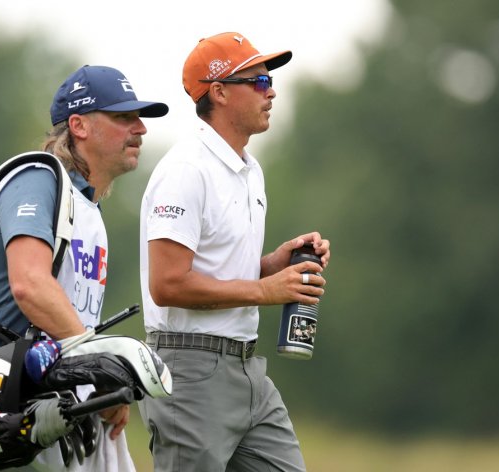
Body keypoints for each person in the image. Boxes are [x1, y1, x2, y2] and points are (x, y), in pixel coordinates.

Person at [0, 65, 168, 471]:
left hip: (41, 400)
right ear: (78, 125)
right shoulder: (37, 179)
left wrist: (96, 386)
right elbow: (30, 285)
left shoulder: (88, 204)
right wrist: (102, 369)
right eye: (123, 117)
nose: (140, 128)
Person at [138, 32, 331, 472]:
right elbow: (168, 284)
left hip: (246, 369)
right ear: (220, 92)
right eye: (259, 82)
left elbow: (218, 272)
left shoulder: (249, 171)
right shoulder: (186, 170)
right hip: (189, 370)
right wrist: (267, 289)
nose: (272, 91)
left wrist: (273, 264)